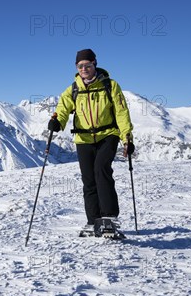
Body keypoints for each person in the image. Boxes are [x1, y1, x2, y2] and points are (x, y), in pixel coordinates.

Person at [47, 48, 135, 236]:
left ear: (95, 64)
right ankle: (92, 221)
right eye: (80, 66)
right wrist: (57, 123)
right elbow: (63, 109)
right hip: (83, 138)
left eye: (87, 65)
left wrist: (126, 138)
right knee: (88, 179)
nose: (84, 69)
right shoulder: (73, 89)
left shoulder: (110, 86)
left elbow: (121, 112)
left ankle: (109, 218)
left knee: (101, 170)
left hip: (108, 134)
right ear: (76, 67)